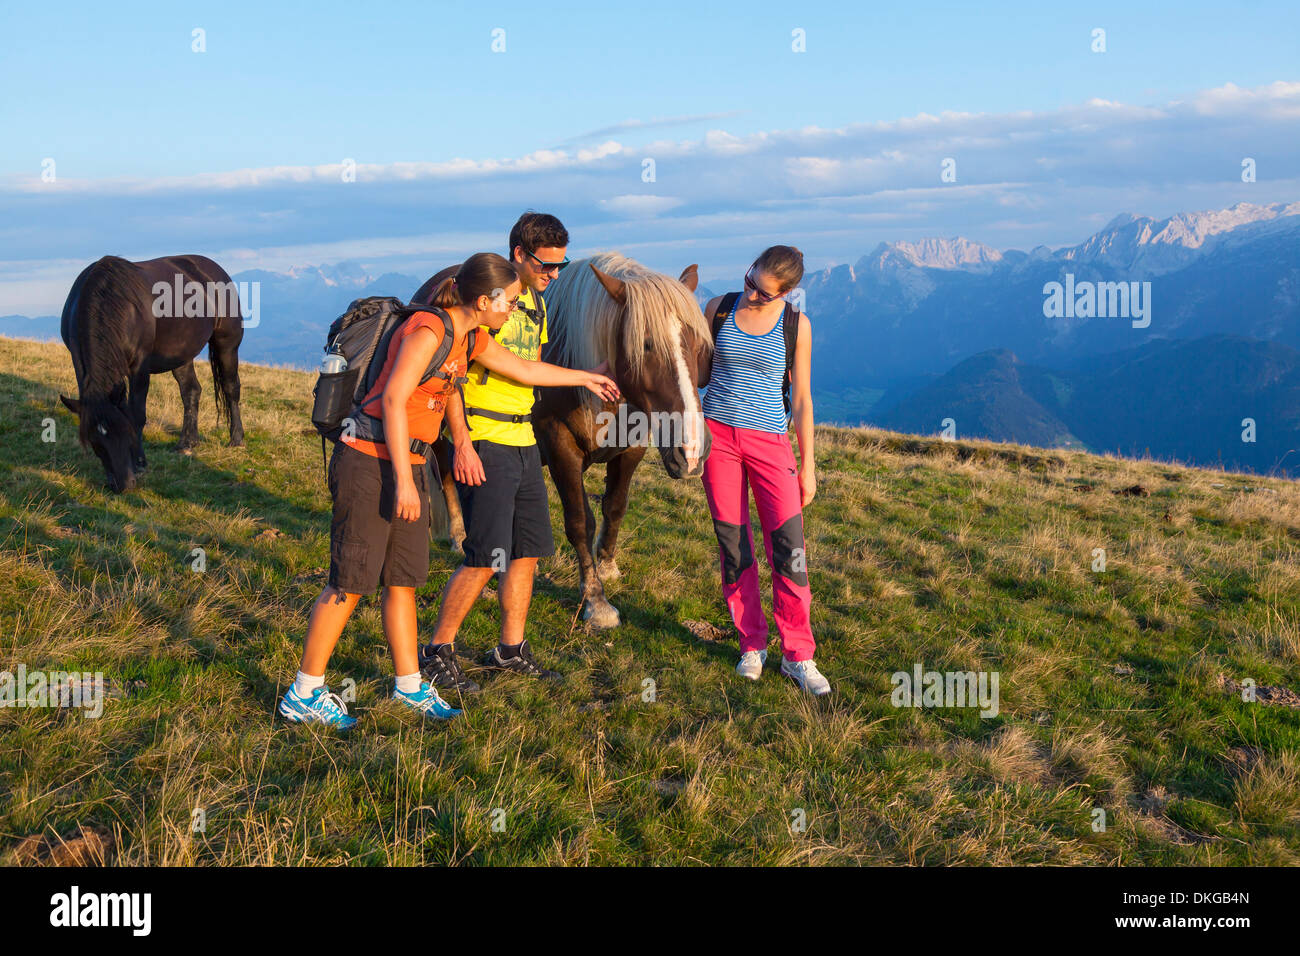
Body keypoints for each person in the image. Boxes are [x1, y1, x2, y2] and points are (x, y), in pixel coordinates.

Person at [278, 252, 619, 728]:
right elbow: (394, 400)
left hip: (410, 462)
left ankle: (410, 686)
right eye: (511, 302)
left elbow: (524, 370)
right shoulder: (428, 331)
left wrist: (588, 377)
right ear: (485, 300)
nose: (515, 309)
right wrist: (403, 479)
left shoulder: (471, 337)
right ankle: (304, 692)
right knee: (350, 582)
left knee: (402, 580)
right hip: (370, 461)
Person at [410, 212, 576, 691]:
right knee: (486, 555)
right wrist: (461, 442)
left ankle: (510, 649)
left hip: (523, 439)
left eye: (561, 266)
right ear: (519, 256)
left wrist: (588, 375)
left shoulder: (538, 307)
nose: (554, 275)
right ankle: (437, 650)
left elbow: (529, 370)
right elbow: (453, 375)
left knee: (525, 553)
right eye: (546, 266)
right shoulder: (490, 303)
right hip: (485, 440)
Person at [700, 245, 829, 696]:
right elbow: (696, 373)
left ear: (788, 292)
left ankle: (798, 655)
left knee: (789, 549)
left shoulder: (797, 325)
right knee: (733, 545)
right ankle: (751, 644)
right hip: (718, 439)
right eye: (750, 281)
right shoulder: (717, 308)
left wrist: (807, 468)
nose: (751, 294)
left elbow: (802, 401)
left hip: (771, 443)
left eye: (763, 291)